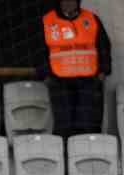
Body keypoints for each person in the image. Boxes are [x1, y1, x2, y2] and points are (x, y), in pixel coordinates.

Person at [41, 0, 111, 137]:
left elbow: (103, 45)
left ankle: (87, 154)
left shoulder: (91, 18)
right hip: (59, 81)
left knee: (87, 121)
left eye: (72, 0)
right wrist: (44, 74)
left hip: (88, 80)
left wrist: (104, 70)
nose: (68, 3)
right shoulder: (47, 21)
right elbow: (38, 50)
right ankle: (67, 154)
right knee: (64, 123)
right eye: (64, 1)